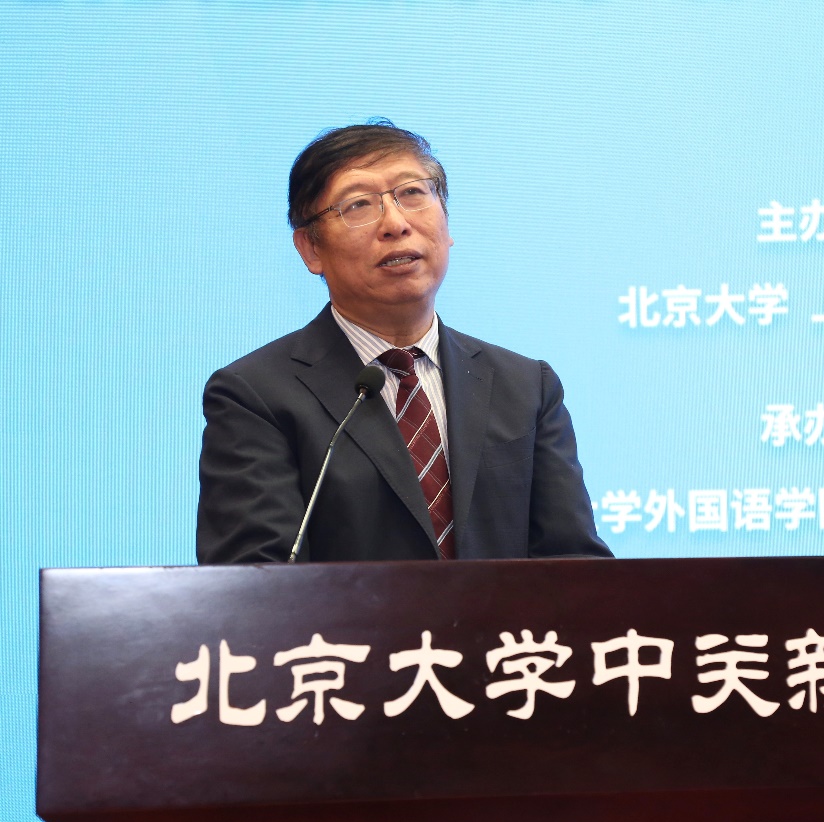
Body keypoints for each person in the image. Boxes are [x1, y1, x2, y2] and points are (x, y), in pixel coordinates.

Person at [197, 120, 611, 564]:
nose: (395, 224)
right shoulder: (255, 396)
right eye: (358, 204)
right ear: (311, 249)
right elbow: (253, 582)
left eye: (413, 193)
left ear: (446, 225)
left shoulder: (526, 387)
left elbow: (576, 569)